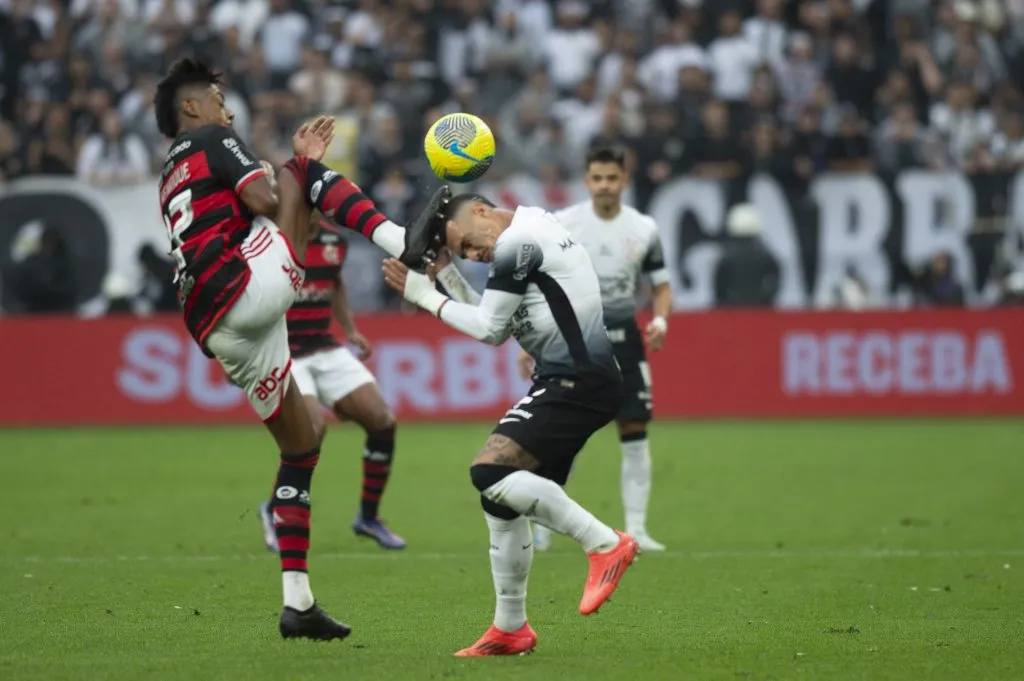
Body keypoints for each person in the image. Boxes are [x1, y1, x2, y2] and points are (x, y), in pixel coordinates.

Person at [154, 58, 441, 641]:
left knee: (302, 444)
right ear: (192, 108)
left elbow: (241, 215)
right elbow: (265, 199)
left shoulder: (168, 175)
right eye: (216, 97)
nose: (227, 109)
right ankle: (401, 240)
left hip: (218, 328)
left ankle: (298, 604)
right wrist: (292, 164)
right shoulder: (213, 138)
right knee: (302, 170)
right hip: (245, 290)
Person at [381, 189, 640, 657]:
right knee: (502, 502)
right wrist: (446, 275)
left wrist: (422, 293)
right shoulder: (531, 225)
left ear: (480, 210)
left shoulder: (517, 243)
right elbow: (497, 321)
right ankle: (510, 628)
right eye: (464, 254)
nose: (474, 255)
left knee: (489, 473)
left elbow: (487, 329)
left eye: (467, 244)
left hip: (574, 380)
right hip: (581, 378)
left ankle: (604, 543)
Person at [522, 146, 671, 553]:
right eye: (597, 178)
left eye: (612, 178)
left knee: (635, 429)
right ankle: (544, 527)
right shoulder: (566, 224)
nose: (605, 185)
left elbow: (660, 284)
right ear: (587, 182)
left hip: (624, 337)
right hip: (573, 338)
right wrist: (531, 336)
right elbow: (539, 282)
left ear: (624, 180)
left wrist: (660, 320)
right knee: (560, 434)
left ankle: (637, 528)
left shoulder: (643, 228)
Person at [258, 213, 406, 552]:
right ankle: (274, 509)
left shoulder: (333, 241)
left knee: (383, 422)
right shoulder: (270, 240)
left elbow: (334, 285)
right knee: (311, 431)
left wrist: (351, 329)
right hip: (285, 353)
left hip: (325, 348)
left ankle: (368, 518)